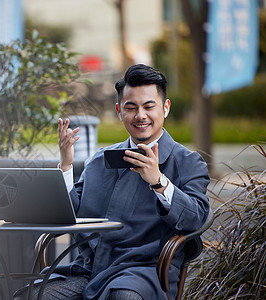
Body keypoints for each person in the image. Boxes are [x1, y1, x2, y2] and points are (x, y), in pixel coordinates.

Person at [14, 64, 210, 300]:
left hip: (144, 272)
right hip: (90, 269)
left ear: (165, 108)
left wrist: (158, 181)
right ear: (119, 111)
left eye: (149, 106)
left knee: (123, 297)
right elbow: (72, 218)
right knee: (35, 295)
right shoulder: (99, 161)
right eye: (131, 107)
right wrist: (66, 166)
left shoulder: (188, 162)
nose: (140, 115)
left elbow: (196, 217)